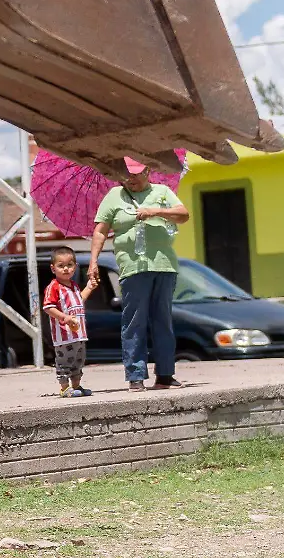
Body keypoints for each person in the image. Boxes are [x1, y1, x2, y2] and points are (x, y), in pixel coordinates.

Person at [88, 157, 190, 392]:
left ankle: (165, 374)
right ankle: (135, 374)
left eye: (135, 173)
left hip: (163, 266)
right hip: (133, 268)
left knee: (163, 321)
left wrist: (155, 211)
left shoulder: (162, 192)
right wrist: (93, 261)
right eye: (126, 174)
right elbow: (100, 231)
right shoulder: (115, 196)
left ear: (148, 171)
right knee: (135, 321)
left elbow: (183, 215)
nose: (130, 178)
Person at [43, 247, 99, 398]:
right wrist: (65, 318)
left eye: (70, 265)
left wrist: (89, 287)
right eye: (61, 266)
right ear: (53, 268)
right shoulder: (53, 287)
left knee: (78, 361)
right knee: (64, 361)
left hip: (79, 334)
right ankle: (64, 388)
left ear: (75, 266)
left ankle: (76, 386)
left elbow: (80, 300)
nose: (66, 269)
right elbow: (48, 307)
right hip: (64, 336)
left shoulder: (73, 286)